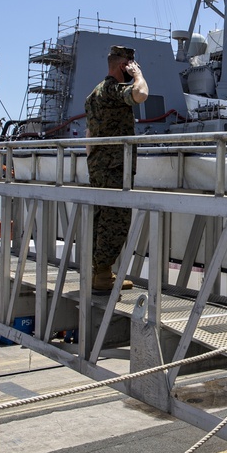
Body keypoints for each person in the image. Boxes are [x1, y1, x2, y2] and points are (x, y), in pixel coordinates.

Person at [84, 45, 149, 293]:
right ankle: (102, 276)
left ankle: (100, 272)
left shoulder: (94, 94)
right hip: (115, 167)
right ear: (125, 65)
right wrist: (138, 76)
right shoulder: (114, 90)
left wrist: (93, 164)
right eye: (132, 64)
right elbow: (140, 94)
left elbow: (89, 135)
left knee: (101, 218)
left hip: (98, 165)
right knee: (115, 220)